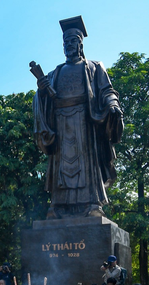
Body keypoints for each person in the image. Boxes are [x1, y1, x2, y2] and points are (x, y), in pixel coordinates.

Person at [34, 15, 124, 219]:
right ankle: (58, 207)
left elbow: (107, 91)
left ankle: (92, 204)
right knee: (61, 167)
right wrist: (41, 92)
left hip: (85, 122)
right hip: (61, 122)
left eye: (73, 41)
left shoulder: (94, 67)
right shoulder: (55, 73)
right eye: (65, 42)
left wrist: (112, 105)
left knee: (86, 165)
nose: (69, 46)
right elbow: (43, 99)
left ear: (80, 44)